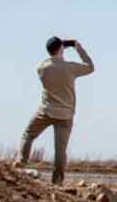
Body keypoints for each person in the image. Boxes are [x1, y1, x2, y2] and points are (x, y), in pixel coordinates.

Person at [18, 37, 96, 186]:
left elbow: (51, 62)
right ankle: (57, 182)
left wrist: (59, 47)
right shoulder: (70, 68)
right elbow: (90, 67)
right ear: (61, 48)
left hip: (46, 111)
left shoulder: (42, 68)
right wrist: (78, 47)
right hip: (65, 114)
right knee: (60, 150)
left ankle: (20, 164)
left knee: (28, 135)